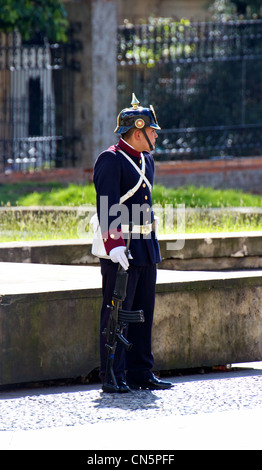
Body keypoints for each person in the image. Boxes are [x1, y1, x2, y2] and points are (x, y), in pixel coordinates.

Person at [93, 93, 173, 392]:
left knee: (143, 311)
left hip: (145, 244)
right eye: (152, 131)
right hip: (122, 248)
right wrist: (113, 246)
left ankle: (141, 371)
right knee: (117, 313)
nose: (155, 135)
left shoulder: (146, 160)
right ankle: (113, 374)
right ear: (137, 131)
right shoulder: (111, 159)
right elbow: (107, 205)